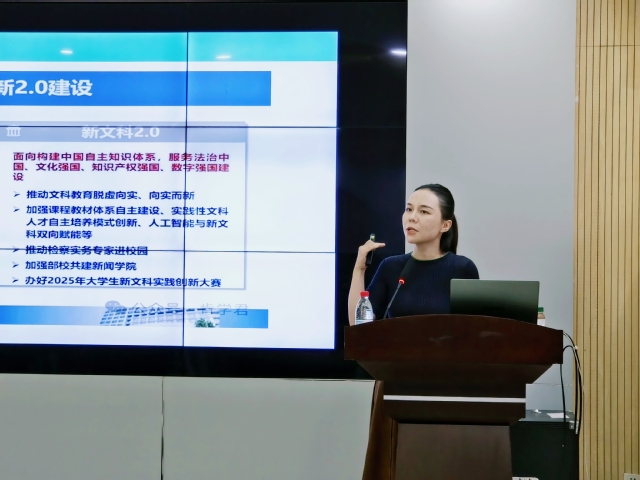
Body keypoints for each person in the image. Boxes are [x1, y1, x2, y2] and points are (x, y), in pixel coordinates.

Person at [348, 183, 479, 480]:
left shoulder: (462, 269)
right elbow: (359, 328)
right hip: (395, 384)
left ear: (445, 225)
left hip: (445, 388)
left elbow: (472, 335)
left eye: (423, 211)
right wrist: (359, 270)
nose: (412, 217)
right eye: (408, 209)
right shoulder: (392, 268)